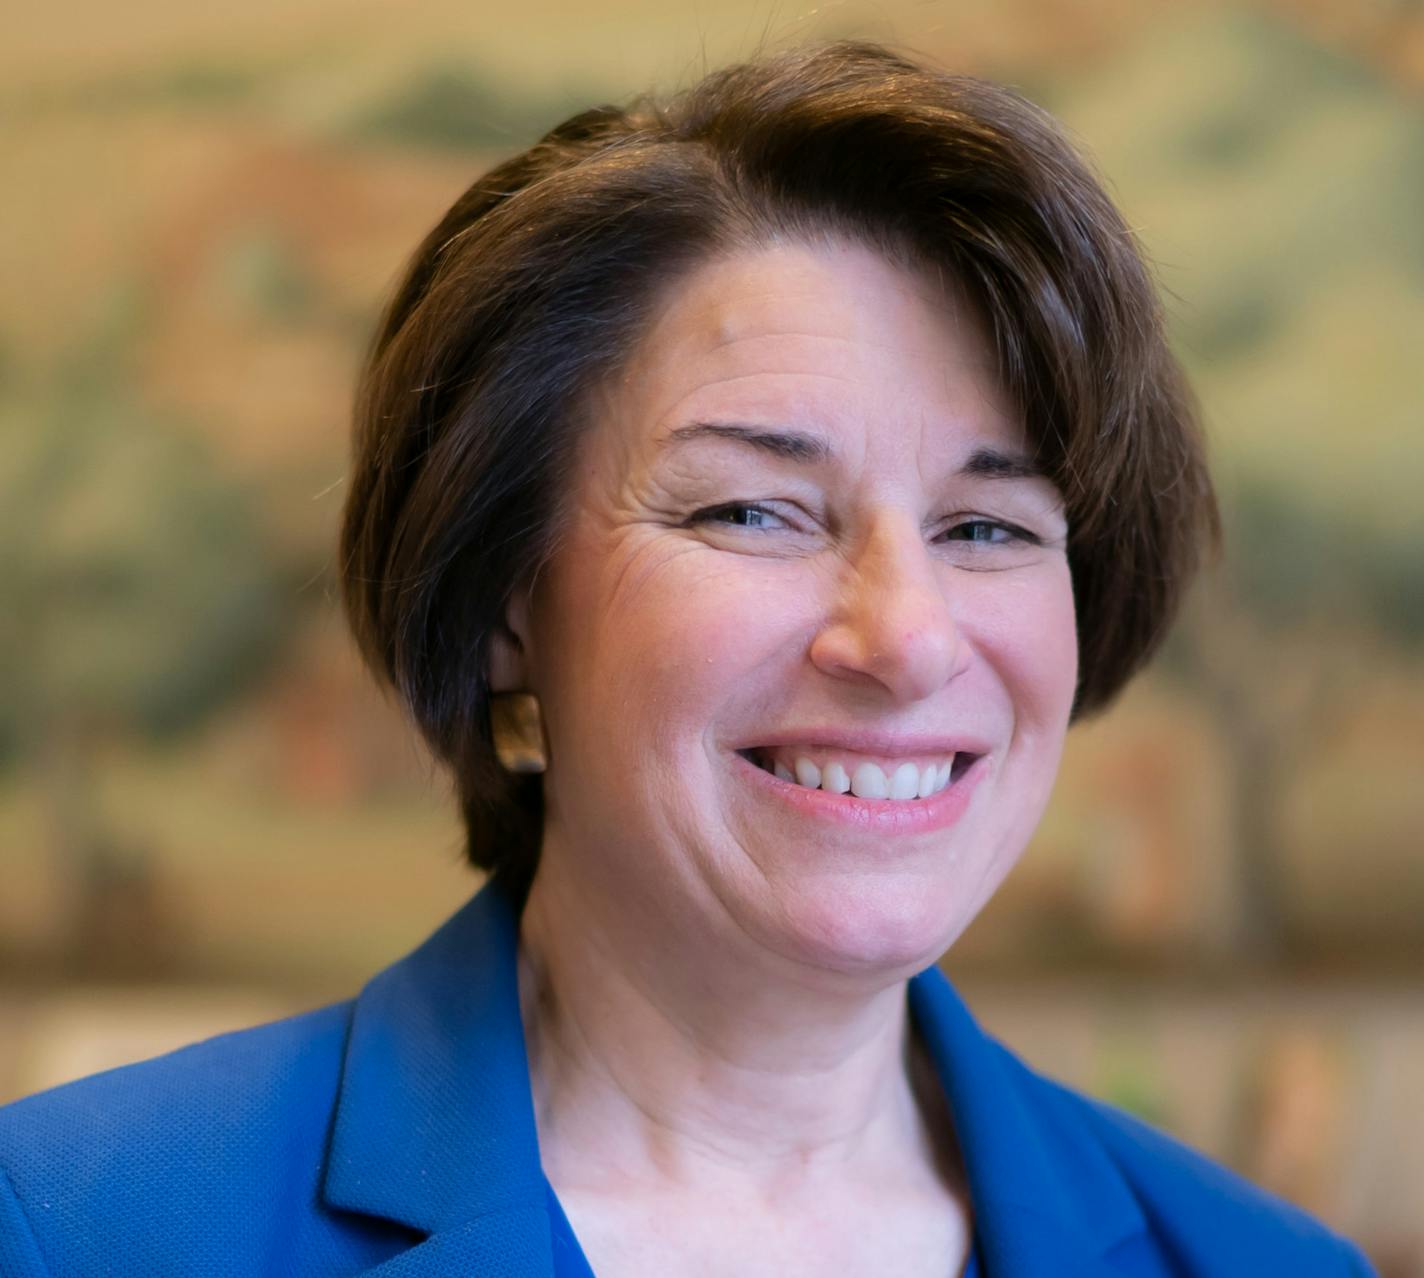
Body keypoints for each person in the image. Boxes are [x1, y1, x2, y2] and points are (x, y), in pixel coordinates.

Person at [0, 41, 1376, 1278]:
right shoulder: (76, 1226)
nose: (904, 636)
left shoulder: (1267, 1265)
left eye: (985, 523)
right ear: (503, 604)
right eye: (752, 510)